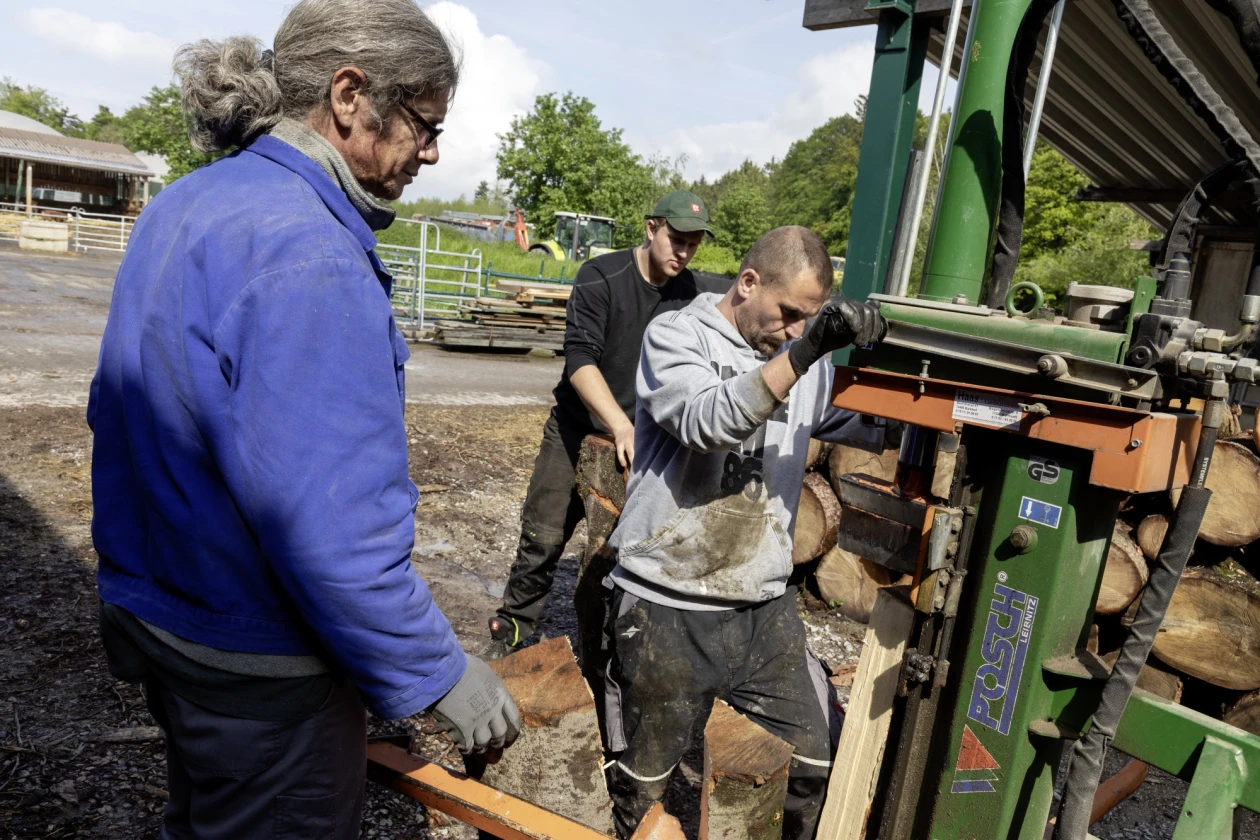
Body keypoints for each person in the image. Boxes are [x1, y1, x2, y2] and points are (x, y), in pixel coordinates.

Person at [88, 3, 518, 838]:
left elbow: (120, 412)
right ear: (351, 95)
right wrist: (436, 672)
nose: (431, 151)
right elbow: (331, 531)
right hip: (258, 663)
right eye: (425, 123)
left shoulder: (187, 202)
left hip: (170, 618)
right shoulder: (312, 256)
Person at [601, 226, 890, 839]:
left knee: (811, 762)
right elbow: (709, 420)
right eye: (787, 314)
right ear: (748, 282)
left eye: (807, 322)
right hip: (667, 603)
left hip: (762, 609)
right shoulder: (676, 335)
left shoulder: (802, 361)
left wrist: (908, 380)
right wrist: (807, 350)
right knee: (646, 783)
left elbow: (869, 422)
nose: (792, 331)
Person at [482, 190, 720, 657]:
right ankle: (511, 626)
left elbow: (744, 297)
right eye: (676, 239)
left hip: (642, 442)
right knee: (544, 536)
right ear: (652, 228)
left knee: (626, 550)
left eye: (693, 243)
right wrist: (619, 424)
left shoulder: (691, 292)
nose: (684, 252)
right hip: (576, 428)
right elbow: (579, 360)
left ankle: (610, 646)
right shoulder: (602, 276)